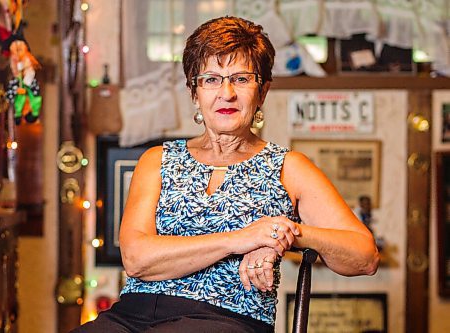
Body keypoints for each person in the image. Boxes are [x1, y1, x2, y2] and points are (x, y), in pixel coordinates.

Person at [72, 16, 379, 333]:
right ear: (195, 92)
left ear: (262, 92)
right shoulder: (157, 160)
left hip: (224, 321)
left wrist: (280, 233)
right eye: (211, 79)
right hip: (131, 317)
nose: (227, 93)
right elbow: (137, 259)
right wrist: (242, 239)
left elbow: (364, 256)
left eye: (242, 79)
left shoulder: (289, 167)